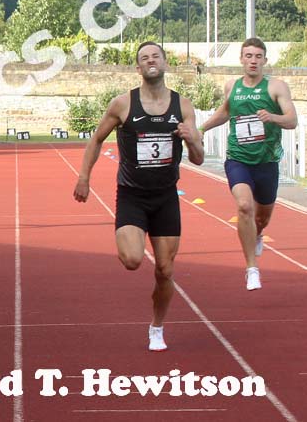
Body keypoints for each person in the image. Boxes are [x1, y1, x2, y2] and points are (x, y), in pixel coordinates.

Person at [73, 42, 204, 351]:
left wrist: (192, 140)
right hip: (132, 196)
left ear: (166, 63)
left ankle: (157, 327)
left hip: (166, 197)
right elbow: (96, 139)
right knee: (132, 260)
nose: (150, 61)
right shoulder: (122, 104)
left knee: (165, 269)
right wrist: (83, 177)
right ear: (138, 68)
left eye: (155, 56)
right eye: (144, 58)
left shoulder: (183, 106)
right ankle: (128, 235)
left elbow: (198, 158)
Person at [199, 38, 297, 291]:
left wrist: (272, 116)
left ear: (265, 60)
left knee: (262, 218)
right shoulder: (232, 86)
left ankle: (258, 233)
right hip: (238, 158)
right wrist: (202, 128)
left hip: (266, 162)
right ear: (241, 59)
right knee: (244, 206)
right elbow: (225, 112)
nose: (253, 61)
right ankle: (251, 268)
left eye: (258, 56)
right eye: (248, 56)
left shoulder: (276, 87)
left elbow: (292, 120)